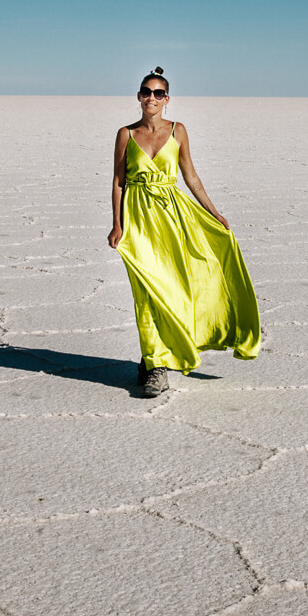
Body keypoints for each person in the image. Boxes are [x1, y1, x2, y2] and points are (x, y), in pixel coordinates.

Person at [107, 67, 260, 397]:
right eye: (146, 92)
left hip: (172, 217)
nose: (152, 98)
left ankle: (154, 359)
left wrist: (214, 212)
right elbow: (119, 182)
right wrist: (118, 224)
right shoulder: (125, 134)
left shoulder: (178, 131)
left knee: (173, 289)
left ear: (167, 99)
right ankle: (156, 366)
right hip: (137, 219)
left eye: (158, 93)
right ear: (138, 96)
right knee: (147, 293)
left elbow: (191, 178)